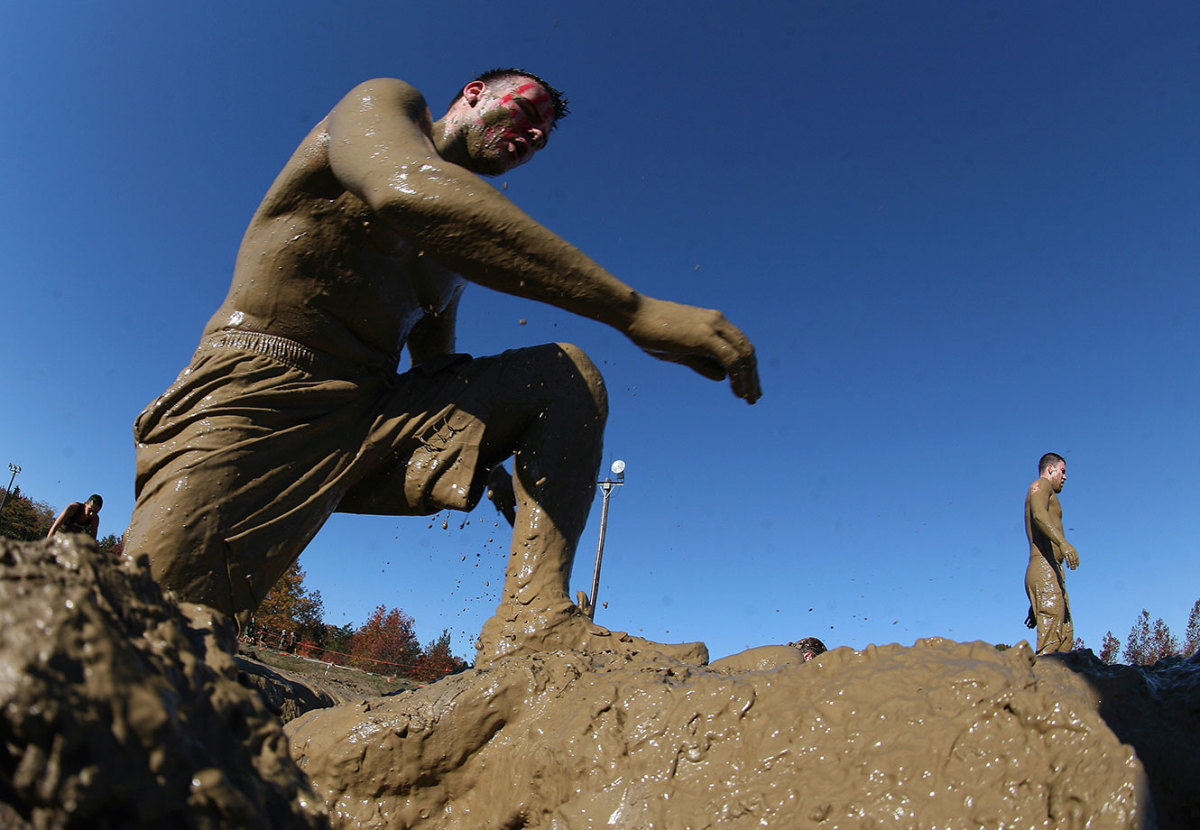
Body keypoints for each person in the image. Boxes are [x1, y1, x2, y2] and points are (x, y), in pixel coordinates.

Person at [125, 68, 760, 667]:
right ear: (475, 93)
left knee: (561, 376)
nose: (534, 136)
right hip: (254, 390)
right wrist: (632, 309)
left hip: (368, 419)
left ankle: (534, 620)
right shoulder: (384, 103)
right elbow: (405, 189)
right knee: (150, 630)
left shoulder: (452, 263)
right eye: (526, 111)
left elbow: (440, 372)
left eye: (541, 139)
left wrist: (500, 473)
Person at [1023, 452, 1079, 655]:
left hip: (1052, 574)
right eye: (1062, 471)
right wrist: (1064, 543)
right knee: (1051, 646)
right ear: (1050, 469)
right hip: (1044, 568)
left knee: (1065, 641)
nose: (1065, 477)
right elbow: (1038, 514)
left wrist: (1037, 602)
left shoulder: (1049, 492)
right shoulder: (1041, 485)